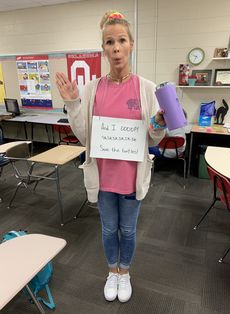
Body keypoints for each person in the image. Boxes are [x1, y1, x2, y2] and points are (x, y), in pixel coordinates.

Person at [56, 10, 166, 303]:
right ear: (103, 48)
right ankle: (111, 271)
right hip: (103, 178)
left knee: (128, 231)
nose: (116, 48)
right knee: (107, 230)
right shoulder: (93, 89)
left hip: (131, 179)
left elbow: (154, 136)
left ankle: (125, 272)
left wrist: (160, 122)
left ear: (131, 44)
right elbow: (84, 136)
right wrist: (72, 104)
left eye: (121, 41)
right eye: (109, 42)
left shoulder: (146, 88)